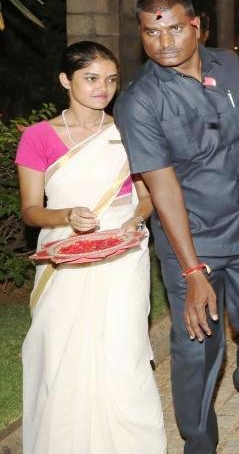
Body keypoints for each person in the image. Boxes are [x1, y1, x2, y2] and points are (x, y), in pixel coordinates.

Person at [115, 0, 239, 453]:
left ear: (196, 25)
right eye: (151, 31)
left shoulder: (228, 64)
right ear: (141, 35)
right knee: (197, 347)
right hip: (196, 241)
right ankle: (198, 439)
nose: (164, 41)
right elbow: (163, 187)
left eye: (174, 27)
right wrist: (192, 271)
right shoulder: (140, 103)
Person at [16, 41, 165, 452]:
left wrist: (133, 221)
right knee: (63, 352)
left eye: (111, 79)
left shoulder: (128, 132)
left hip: (122, 254)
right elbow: (31, 210)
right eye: (92, 78)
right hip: (66, 255)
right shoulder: (38, 137)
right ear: (66, 80)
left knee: (122, 351)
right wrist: (66, 217)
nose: (104, 88)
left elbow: (149, 194)